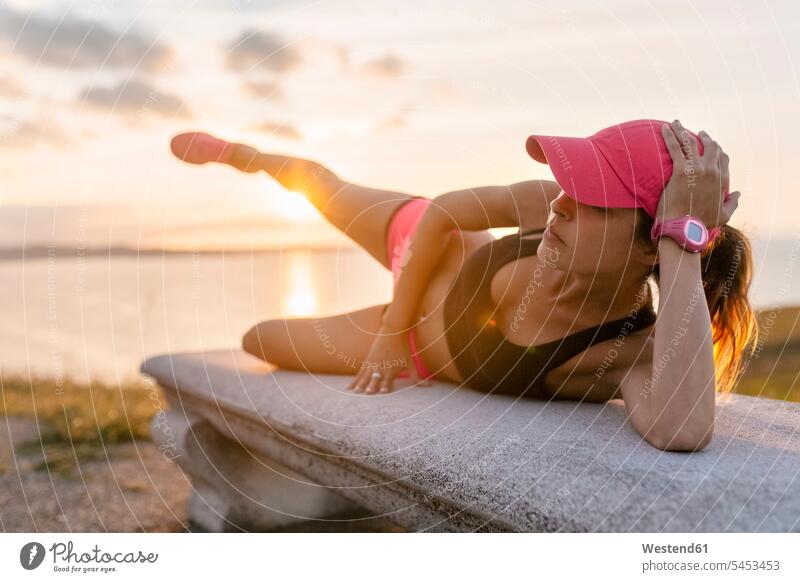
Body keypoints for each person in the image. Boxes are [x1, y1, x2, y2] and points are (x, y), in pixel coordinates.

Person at [169, 118, 756, 451]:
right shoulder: (542, 206)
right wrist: (392, 330)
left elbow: (684, 431)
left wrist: (686, 238)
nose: (559, 203)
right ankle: (244, 155)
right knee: (321, 187)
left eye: (591, 199)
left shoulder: (628, 349)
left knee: (259, 340)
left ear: (654, 241)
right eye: (566, 184)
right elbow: (448, 208)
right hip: (431, 249)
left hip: (427, 352)